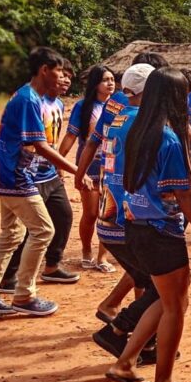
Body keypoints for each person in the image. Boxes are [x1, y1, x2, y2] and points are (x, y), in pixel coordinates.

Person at [105, 67, 191, 382]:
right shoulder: (166, 137)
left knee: (167, 300)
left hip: (136, 224)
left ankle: (126, 361)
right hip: (160, 229)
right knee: (175, 307)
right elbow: (182, 193)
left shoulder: (133, 128)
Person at [0, 47, 78, 317]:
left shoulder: (28, 96)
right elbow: (40, 145)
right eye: (58, 71)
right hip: (17, 178)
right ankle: (24, 296)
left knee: (12, 234)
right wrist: (77, 170)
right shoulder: (29, 99)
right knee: (43, 230)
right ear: (44, 70)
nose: (62, 77)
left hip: (6, 174)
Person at [87, 64, 166, 366]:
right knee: (165, 287)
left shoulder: (117, 119)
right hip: (131, 219)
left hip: (110, 215)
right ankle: (119, 331)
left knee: (146, 279)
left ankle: (144, 342)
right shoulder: (148, 125)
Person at [0, 56, 80, 293]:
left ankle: (52, 266)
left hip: (49, 173)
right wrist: (75, 170)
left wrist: (58, 167)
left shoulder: (59, 105)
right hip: (29, 175)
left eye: (69, 77)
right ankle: (9, 277)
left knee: (63, 217)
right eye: (62, 75)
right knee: (30, 228)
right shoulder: (33, 102)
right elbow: (38, 144)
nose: (66, 80)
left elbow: (51, 142)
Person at [59, 64, 117, 272]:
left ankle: (102, 257)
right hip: (89, 166)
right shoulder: (83, 107)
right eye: (105, 80)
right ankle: (86, 251)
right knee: (91, 213)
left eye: (112, 79)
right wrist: (59, 162)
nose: (110, 83)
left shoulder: (118, 106)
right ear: (95, 84)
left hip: (112, 167)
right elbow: (71, 136)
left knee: (108, 214)